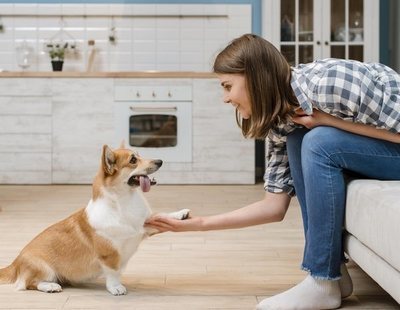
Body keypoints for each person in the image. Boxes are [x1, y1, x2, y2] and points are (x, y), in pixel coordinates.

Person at [146, 33, 400, 310]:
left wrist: (326, 121)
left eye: (228, 86)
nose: (225, 98)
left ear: (255, 77)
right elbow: (273, 206)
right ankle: (334, 275)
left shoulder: (329, 83)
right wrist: (197, 225)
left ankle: (322, 281)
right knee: (300, 138)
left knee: (318, 140)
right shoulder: (282, 122)